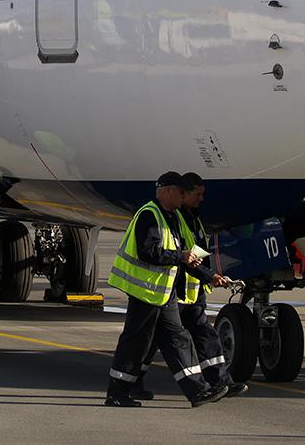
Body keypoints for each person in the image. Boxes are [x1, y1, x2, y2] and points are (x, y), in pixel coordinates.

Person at [105, 172, 229, 408]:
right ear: (168, 191)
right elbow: (148, 252)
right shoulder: (150, 215)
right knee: (135, 343)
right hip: (144, 292)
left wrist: (210, 276)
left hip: (163, 293)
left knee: (178, 338)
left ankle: (198, 391)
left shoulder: (171, 217)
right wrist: (179, 256)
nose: (185, 198)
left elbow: (186, 259)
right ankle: (117, 393)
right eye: (181, 193)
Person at [132, 172, 248, 400]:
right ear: (181, 194)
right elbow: (179, 255)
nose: (201, 199)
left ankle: (219, 381)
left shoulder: (192, 217)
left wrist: (210, 275)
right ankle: (133, 382)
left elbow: (195, 253)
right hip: (174, 289)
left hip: (191, 290)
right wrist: (208, 275)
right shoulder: (170, 218)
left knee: (203, 335)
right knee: (155, 339)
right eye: (197, 194)